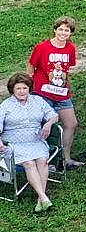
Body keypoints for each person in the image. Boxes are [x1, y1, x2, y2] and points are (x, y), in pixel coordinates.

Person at [27, 17, 81, 170]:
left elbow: (66, 69)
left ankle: (66, 158)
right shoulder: (42, 47)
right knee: (46, 125)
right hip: (43, 92)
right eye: (61, 29)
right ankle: (47, 160)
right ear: (55, 30)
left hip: (61, 92)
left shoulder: (70, 49)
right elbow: (31, 65)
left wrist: (66, 85)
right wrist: (31, 85)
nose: (63, 33)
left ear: (70, 33)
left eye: (67, 30)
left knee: (71, 123)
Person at [0, 74, 58, 211]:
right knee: (29, 163)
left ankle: (41, 199)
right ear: (12, 90)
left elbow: (54, 115)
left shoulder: (38, 101)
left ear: (29, 88)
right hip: (14, 144)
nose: (21, 91)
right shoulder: (5, 106)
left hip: (36, 141)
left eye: (24, 88)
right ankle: (44, 197)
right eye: (18, 88)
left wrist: (48, 124)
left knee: (42, 160)